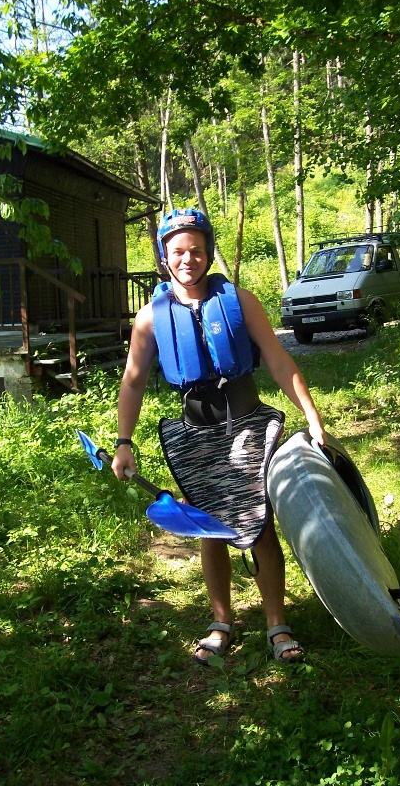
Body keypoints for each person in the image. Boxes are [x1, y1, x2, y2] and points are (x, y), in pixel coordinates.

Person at [111, 208, 326, 665]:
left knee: (259, 522)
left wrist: (312, 416)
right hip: (196, 432)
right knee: (208, 528)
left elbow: (278, 361)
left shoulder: (241, 301)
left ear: (207, 254)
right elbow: (132, 380)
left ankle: (276, 624)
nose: (187, 260)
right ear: (164, 257)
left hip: (247, 424)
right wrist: (123, 442)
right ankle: (221, 621)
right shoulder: (151, 317)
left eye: (196, 251)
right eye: (178, 252)